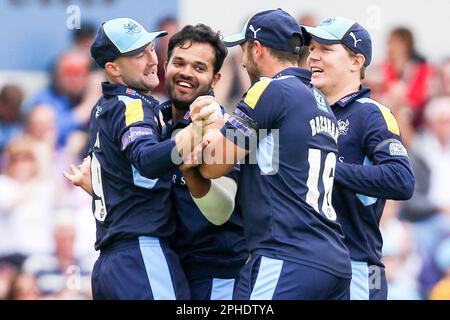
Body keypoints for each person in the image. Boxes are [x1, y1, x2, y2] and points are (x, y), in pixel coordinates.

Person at [65, 23, 248, 300]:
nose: (186, 72)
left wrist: (193, 171)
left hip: (214, 275)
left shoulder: (223, 128)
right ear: (167, 65)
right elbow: (146, 167)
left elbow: (222, 210)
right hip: (154, 264)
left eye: (199, 68)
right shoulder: (151, 116)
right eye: (179, 62)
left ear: (216, 79)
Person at [183, 9, 352, 299]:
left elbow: (214, 165)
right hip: (333, 260)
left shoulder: (267, 90)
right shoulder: (319, 99)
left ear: (257, 49)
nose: (243, 58)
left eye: (243, 49)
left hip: (286, 255)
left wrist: (204, 135)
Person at [305, 17, 415, 299]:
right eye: (313, 48)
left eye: (326, 49)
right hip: (305, 265)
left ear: (356, 62)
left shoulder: (371, 114)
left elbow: (401, 180)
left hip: (356, 267)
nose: (313, 55)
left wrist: (327, 166)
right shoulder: (301, 111)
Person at [83, 17, 190, 300]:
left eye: (151, 48)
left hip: (113, 262)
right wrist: (196, 136)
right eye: (137, 54)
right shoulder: (131, 105)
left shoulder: (105, 106)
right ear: (113, 68)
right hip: (141, 255)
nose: (152, 59)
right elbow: (146, 159)